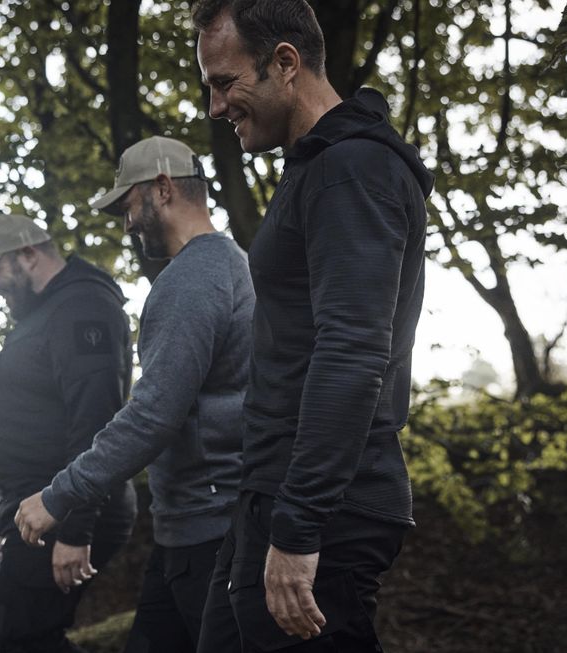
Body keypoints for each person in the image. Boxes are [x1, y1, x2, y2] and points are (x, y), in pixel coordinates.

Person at [192, 1, 435, 651]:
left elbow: (353, 354)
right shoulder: (315, 166)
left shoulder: (351, 167)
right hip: (270, 494)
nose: (215, 107)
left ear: (285, 63)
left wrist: (299, 528)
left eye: (224, 83)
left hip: (321, 508)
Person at [13, 136, 255, 653]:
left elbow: (152, 415)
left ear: (162, 189)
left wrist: (60, 495)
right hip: (190, 531)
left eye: (129, 206)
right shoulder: (231, 262)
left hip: (210, 534)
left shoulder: (191, 279)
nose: (127, 223)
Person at [0, 214, 137, 653]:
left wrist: (76, 529)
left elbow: (95, 421)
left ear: (28, 254)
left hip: (66, 507)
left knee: (16, 640)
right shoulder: (44, 312)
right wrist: (6, 518)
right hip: (36, 507)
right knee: (19, 638)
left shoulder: (82, 307)